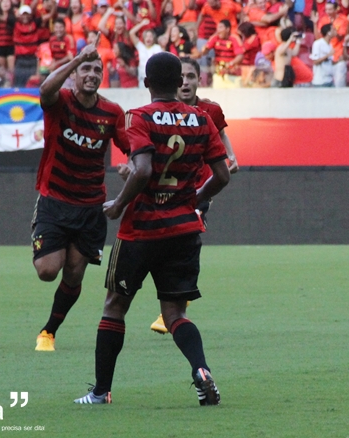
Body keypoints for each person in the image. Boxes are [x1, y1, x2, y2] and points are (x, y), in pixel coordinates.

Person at [74, 52, 230, 405]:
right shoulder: (202, 119)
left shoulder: (139, 117)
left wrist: (118, 204)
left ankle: (100, 392)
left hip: (141, 230)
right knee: (175, 313)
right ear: (179, 82)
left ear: (146, 83)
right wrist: (193, 198)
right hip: (184, 229)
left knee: (115, 306)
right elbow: (222, 176)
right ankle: (201, 369)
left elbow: (142, 169)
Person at [33, 33, 131, 352]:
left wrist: (131, 165)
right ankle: (49, 327)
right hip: (54, 200)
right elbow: (44, 89)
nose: (91, 74)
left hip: (90, 207)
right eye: (85, 69)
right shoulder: (60, 101)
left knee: (74, 274)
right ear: (74, 74)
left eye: (96, 70)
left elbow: (132, 148)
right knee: (48, 270)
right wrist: (78, 57)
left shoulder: (112, 112)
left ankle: (49, 331)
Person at [149, 56, 239, 334]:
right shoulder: (160, 111)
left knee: (186, 239)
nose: (186, 82)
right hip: (167, 192)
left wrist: (231, 157)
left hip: (199, 190)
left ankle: (173, 308)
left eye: (191, 77)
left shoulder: (210, 110)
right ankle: (175, 301)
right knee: (170, 245)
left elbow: (221, 137)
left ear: (200, 80)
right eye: (182, 77)